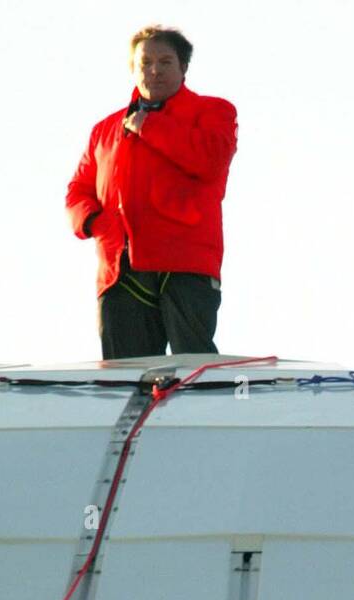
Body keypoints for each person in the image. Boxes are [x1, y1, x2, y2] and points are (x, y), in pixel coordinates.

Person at [65, 25, 237, 359]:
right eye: (145, 62)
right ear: (133, 68)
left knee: (192, 373)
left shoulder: (214, 111)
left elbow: (210, 161)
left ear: (183, 68)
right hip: (121, 268)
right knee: (124, 379)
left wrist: (150, 127)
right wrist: (95, 223)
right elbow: (78, 190)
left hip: (184, 264)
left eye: (165, 61)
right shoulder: (105, 129)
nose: (154, 70)